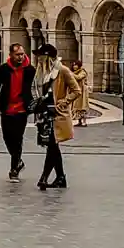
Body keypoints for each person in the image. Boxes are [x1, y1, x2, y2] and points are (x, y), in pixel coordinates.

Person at [31, 43, 79, 190]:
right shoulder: (40, 72)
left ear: (48, 57)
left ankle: (44, 178)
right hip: (44, 115)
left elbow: (76, 90)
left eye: (40, 56)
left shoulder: (62, 71)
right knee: (53, 146)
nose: (38, 59)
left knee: (52, 145)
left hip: (57, 114)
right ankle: (60, 177)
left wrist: (64, 102)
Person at [0, 42, 35, 181]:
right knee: (7, 138)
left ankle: (14, 168)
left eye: (22, 54)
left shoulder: (30, 70)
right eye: (17, 54)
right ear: (11, 55)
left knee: (17, 138)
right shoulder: (4, 69)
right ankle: (18, 161)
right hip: (7, 109)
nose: (20, 57)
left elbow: (38, 87)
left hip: (21, 110)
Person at [70, 56, 90, 126]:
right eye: (73, 65)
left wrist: (70, 74)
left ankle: (84, 121)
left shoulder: (83, 71)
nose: (74, 67)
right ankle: (79, 121)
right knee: (77, 106)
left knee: (83, 106)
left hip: (82, 91)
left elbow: (79, 77)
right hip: (77, 91)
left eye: (76, 65)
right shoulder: (73, 72)